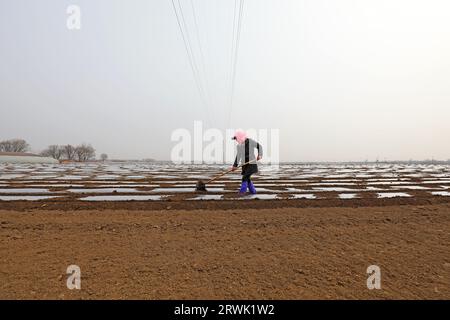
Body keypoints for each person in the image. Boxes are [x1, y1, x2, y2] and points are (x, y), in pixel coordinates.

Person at [231, 130, 263, 194]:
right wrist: (234, 166)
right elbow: (238, 156)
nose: (236, 140)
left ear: (240, 137)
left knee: (245, 177)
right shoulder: (239, 146)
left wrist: (260, 155)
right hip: (244, 165)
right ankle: (253, 192)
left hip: (251, 164)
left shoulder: (250, 141)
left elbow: (259, 146)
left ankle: (242, 192)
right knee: (247, 178)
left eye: (236, 138)